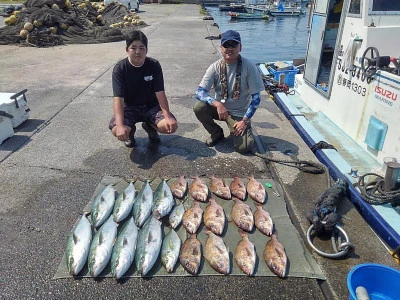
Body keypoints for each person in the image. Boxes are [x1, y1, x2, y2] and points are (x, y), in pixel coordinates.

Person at [193, 30, 265, 154]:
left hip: (239, 114)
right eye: (226, 45)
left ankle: (243, 128)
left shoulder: (249, 67)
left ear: (240, 47)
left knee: (244, 147)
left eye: (234, 45)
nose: (230, 48)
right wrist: (217, 104)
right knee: (199, 107)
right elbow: (200, 92)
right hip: (220, 110)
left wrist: (245, 121)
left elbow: (256, 98)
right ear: (221, 48)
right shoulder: (214, 67)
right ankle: (216, 133)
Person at [109, 30, 178, 147]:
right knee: (117, 130)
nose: (137, 52)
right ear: (127, 50)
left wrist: (167, 117)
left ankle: (150, 127)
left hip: (151, 107)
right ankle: (130, 133)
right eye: (133, 48)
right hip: (129, 107)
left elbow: (160, 93)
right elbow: (118, 99)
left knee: (170, 126)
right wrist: (120, 125)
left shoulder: (154, 65)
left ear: (146, 50)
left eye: (141, 48)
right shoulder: (120, 69)